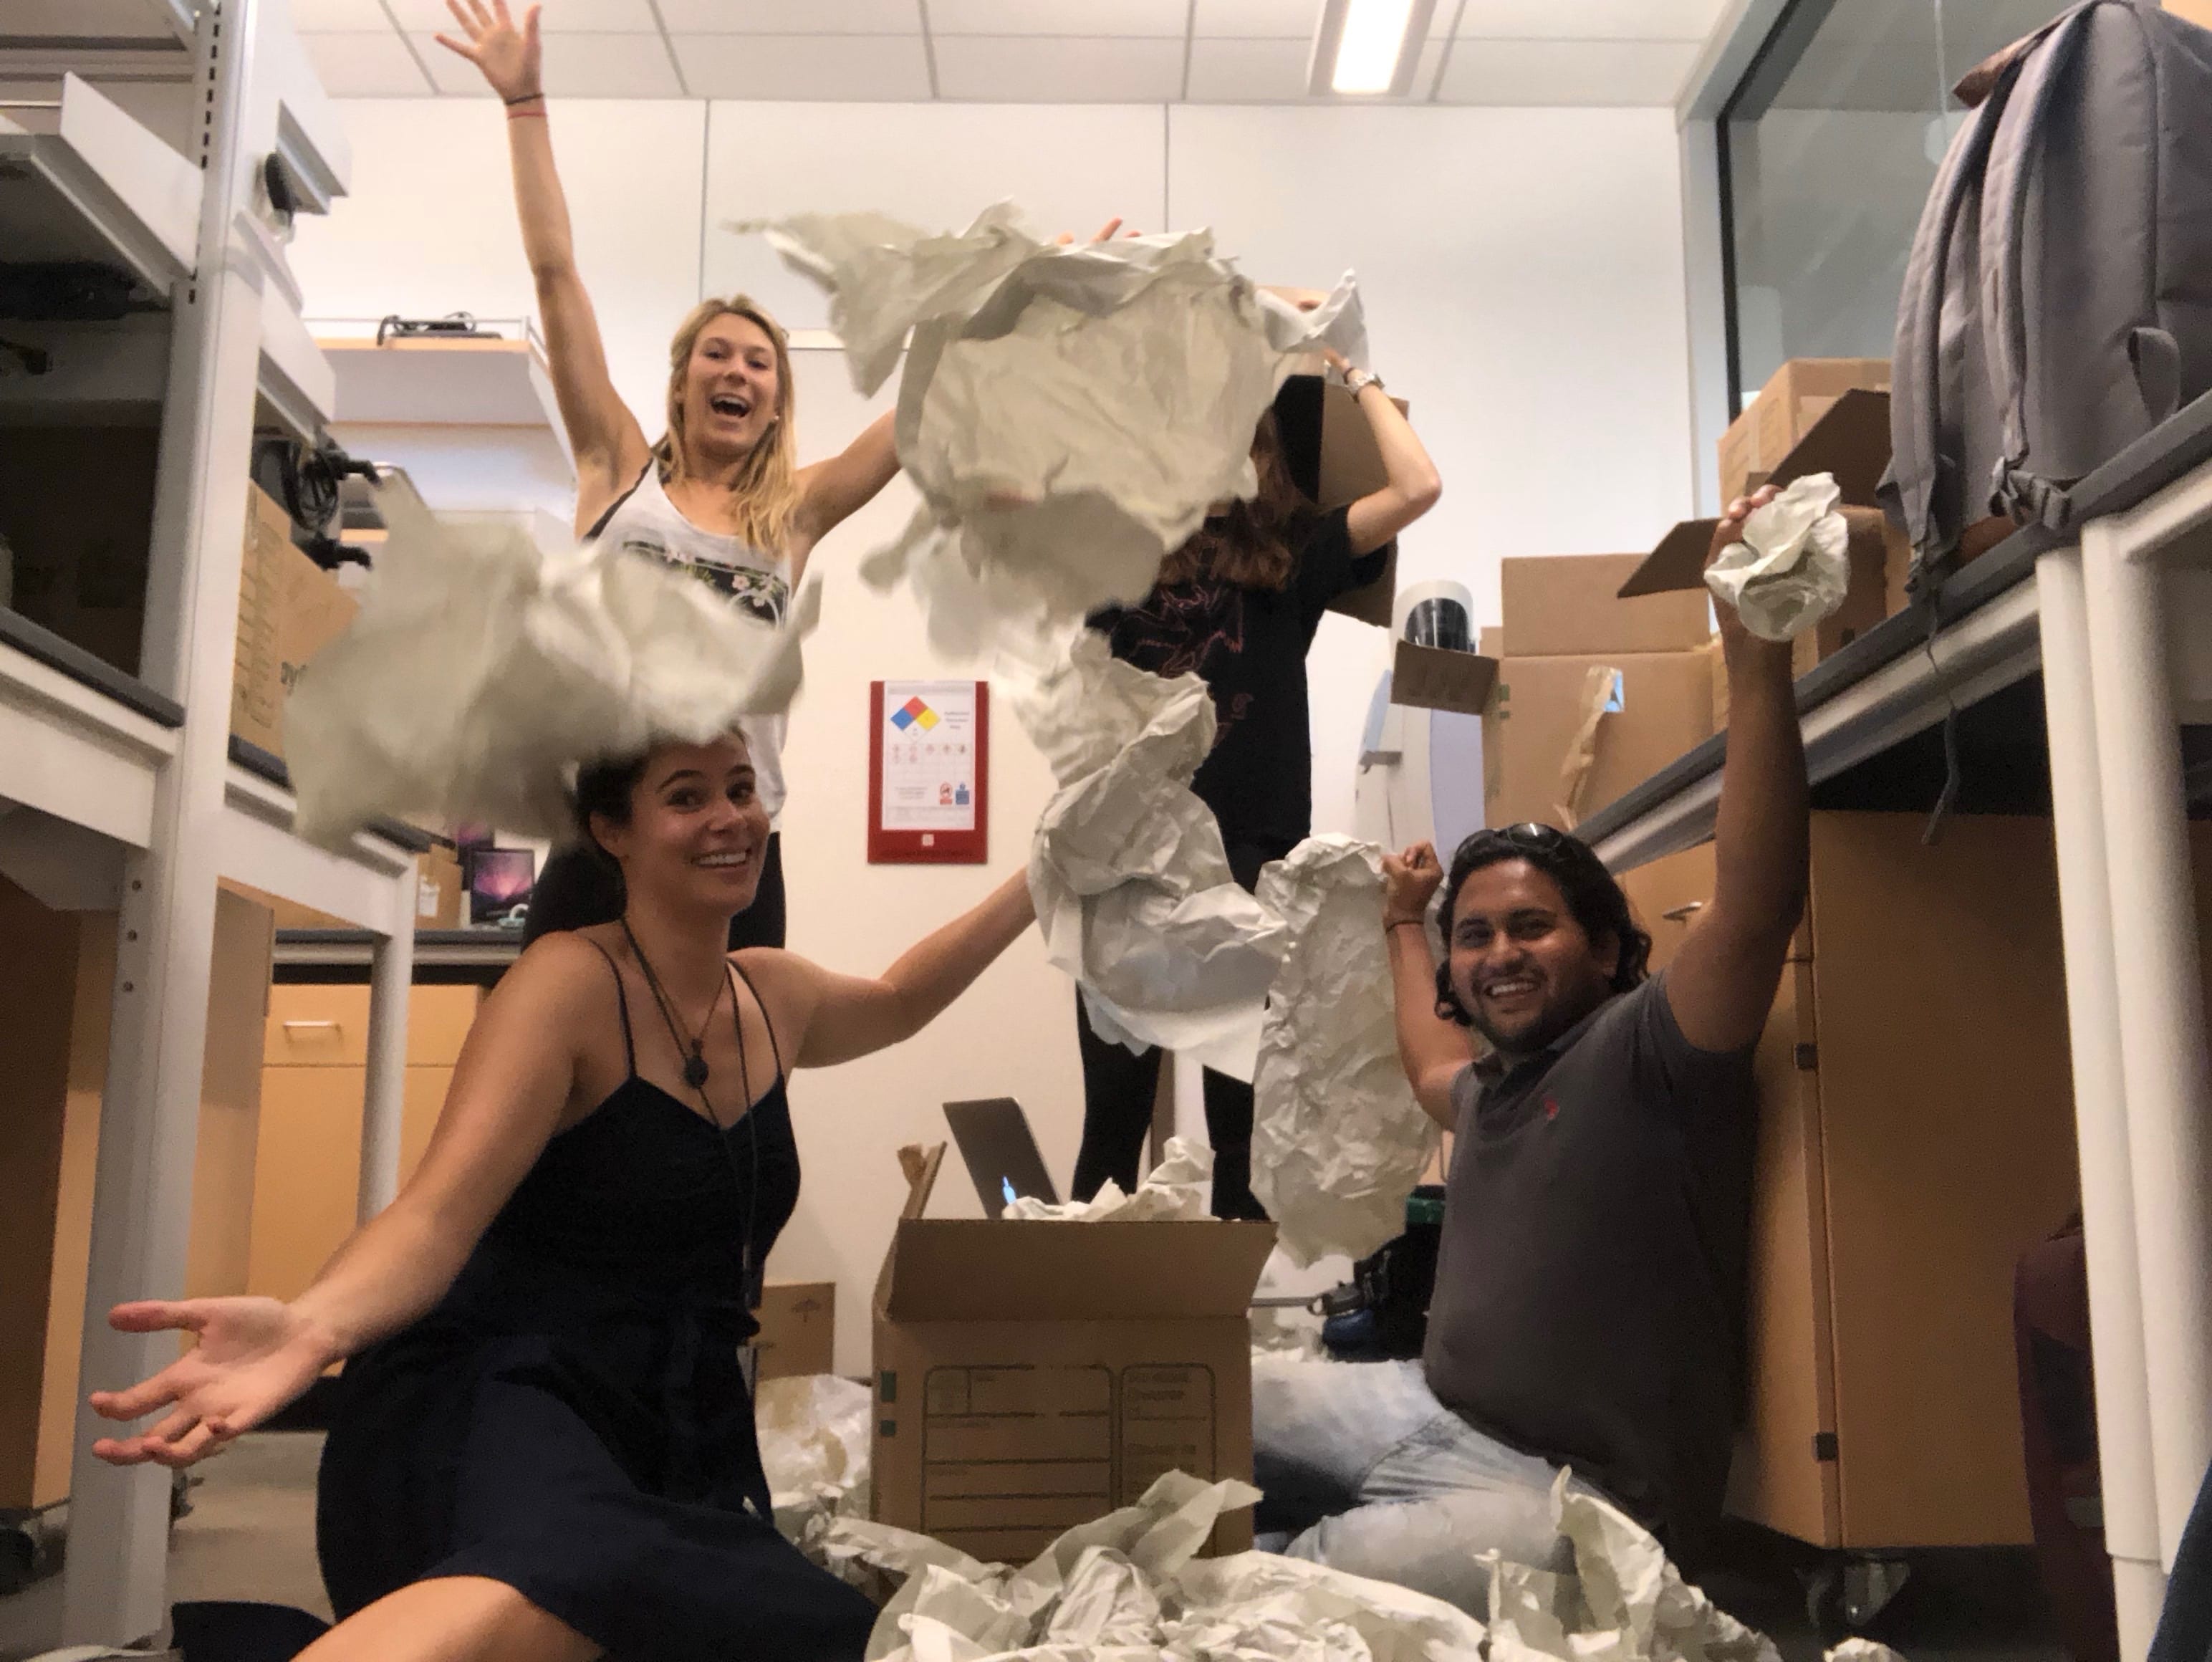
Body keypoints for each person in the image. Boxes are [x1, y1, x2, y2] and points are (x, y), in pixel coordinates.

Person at [87, 729, 1037, 1662]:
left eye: (741, 789)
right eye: (687, 796)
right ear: (612, 831)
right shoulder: (568, 985)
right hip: (496, 1388)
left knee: (822, 1629)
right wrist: (311, 1326)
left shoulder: (774, 993)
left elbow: (902, 999)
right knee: (581, 1567)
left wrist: (1043, 876)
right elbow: (432, 1217)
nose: (729, 819)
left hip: (656, 1423)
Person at [1249, 484, 1809, 1613]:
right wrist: (1404, 922)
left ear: (1603, 947)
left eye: (1530, 928)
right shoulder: (1492, 1090)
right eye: (1476, 938)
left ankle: (1304, 1543)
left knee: (1293, 1583)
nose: (1498, 955)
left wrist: (1757, 657)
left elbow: (1753, 909)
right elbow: (1426, 1066)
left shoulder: (1652, 1051)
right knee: (1195, 1400)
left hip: (1582, 1502)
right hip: (1430, 1414)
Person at [441, 0, 906, 952]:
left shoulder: (793, 515)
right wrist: (525, 106)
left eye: (760, 363)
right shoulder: (616, 468)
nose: (738, 372)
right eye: (717, 354)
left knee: (741, 1052)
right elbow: (555, 275)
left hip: (737, 853)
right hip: (608, 840)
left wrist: (1023, 303)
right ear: (683, 379)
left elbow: (926, 416)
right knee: (561, 1048)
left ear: (775, 402)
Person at [1073, 351, 1441, 1220]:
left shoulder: (1293, 553)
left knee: (1241, 1122)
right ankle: (1090, 1292)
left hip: (1248, 855)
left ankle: (1231, 1301)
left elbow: (1417, 486)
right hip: (1129, 859)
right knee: (1114, 1117)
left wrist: (1360, 377)